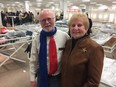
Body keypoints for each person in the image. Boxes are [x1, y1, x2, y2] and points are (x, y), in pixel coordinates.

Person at [61, 13, 104, 87]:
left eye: (79, 25)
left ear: (86, 28)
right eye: (73, 25)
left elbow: (93, 82)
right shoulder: (68, 43)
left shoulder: (94, 48)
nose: (75, 28)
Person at [30, 9, 69, 87]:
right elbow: (33, 60)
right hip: (42, 76)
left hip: (58, 77)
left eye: (49, 19)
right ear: (40, 22)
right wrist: (32, 79)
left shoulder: (65, 37)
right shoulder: (36, 39)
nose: (47, 22)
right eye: (43, 20)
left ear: (54, 19)